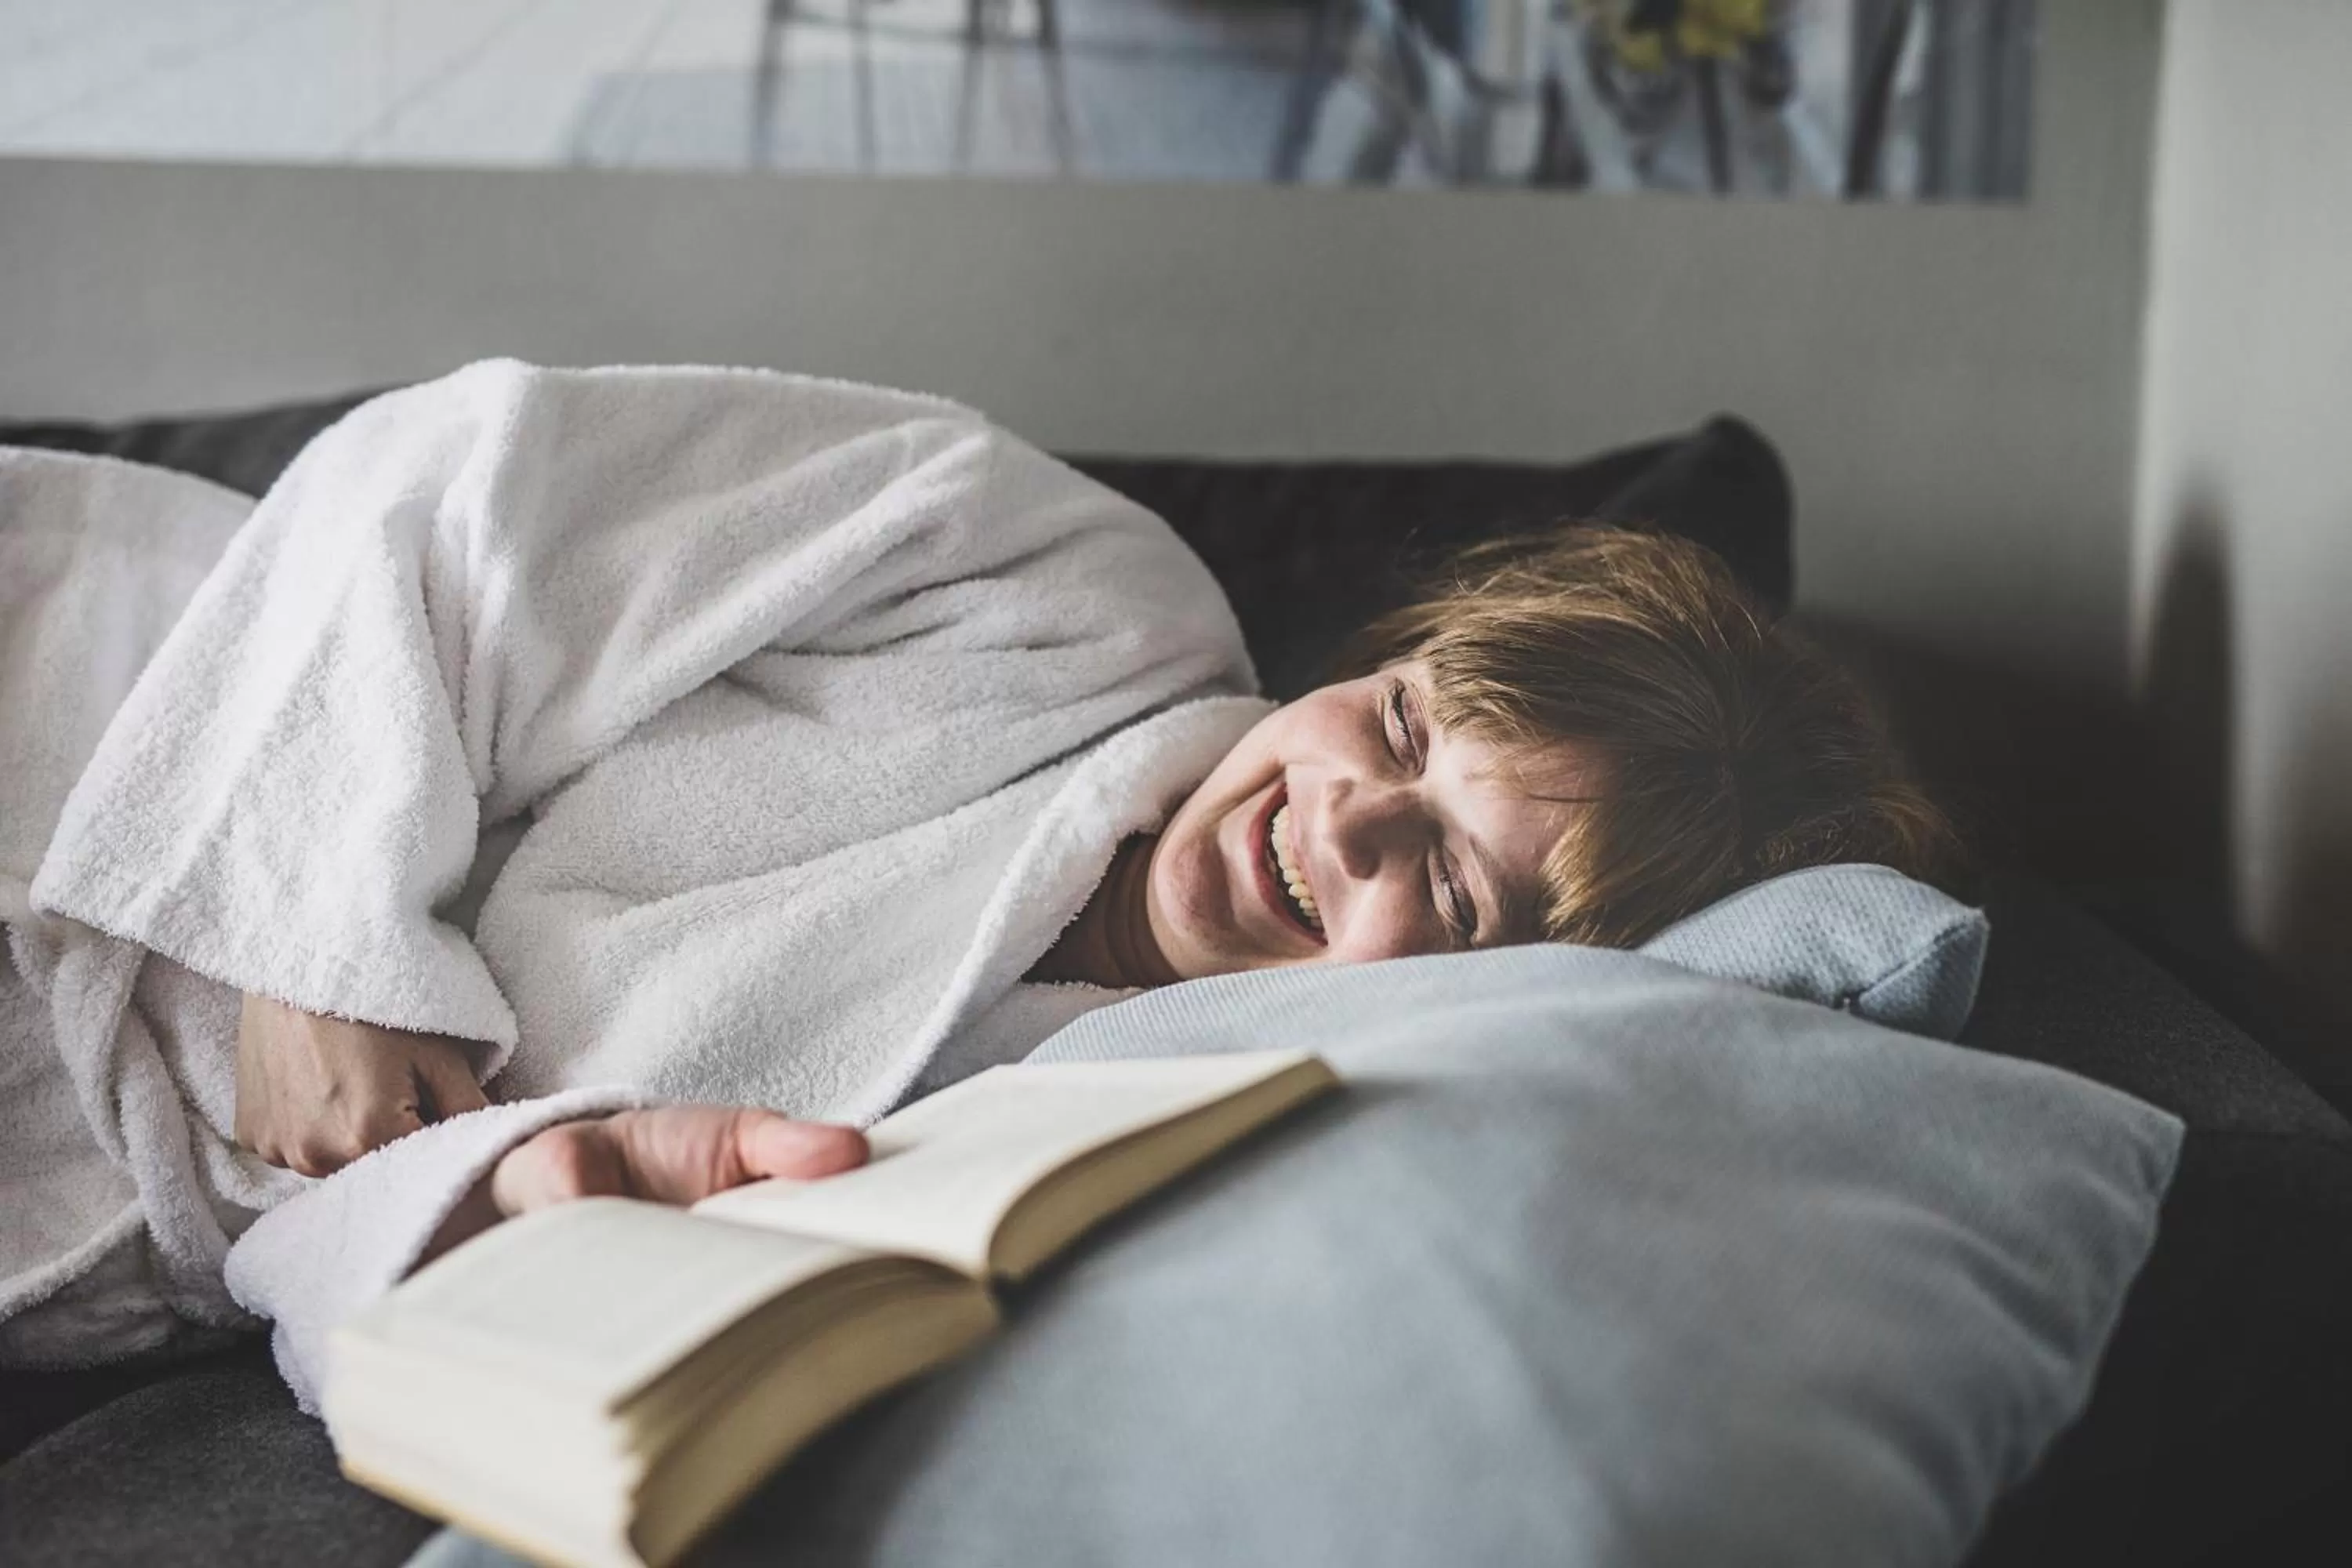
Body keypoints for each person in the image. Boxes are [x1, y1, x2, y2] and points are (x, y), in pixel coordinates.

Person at [0, 361, 1950, 1398]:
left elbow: (438, 1239)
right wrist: (311, 937)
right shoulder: (1055, 582)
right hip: (101, 710)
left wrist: (488, 1193)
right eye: (1405, 724)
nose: (1344, 813)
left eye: (1447, 891)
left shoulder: (1114, 1123)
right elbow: (463, 482)